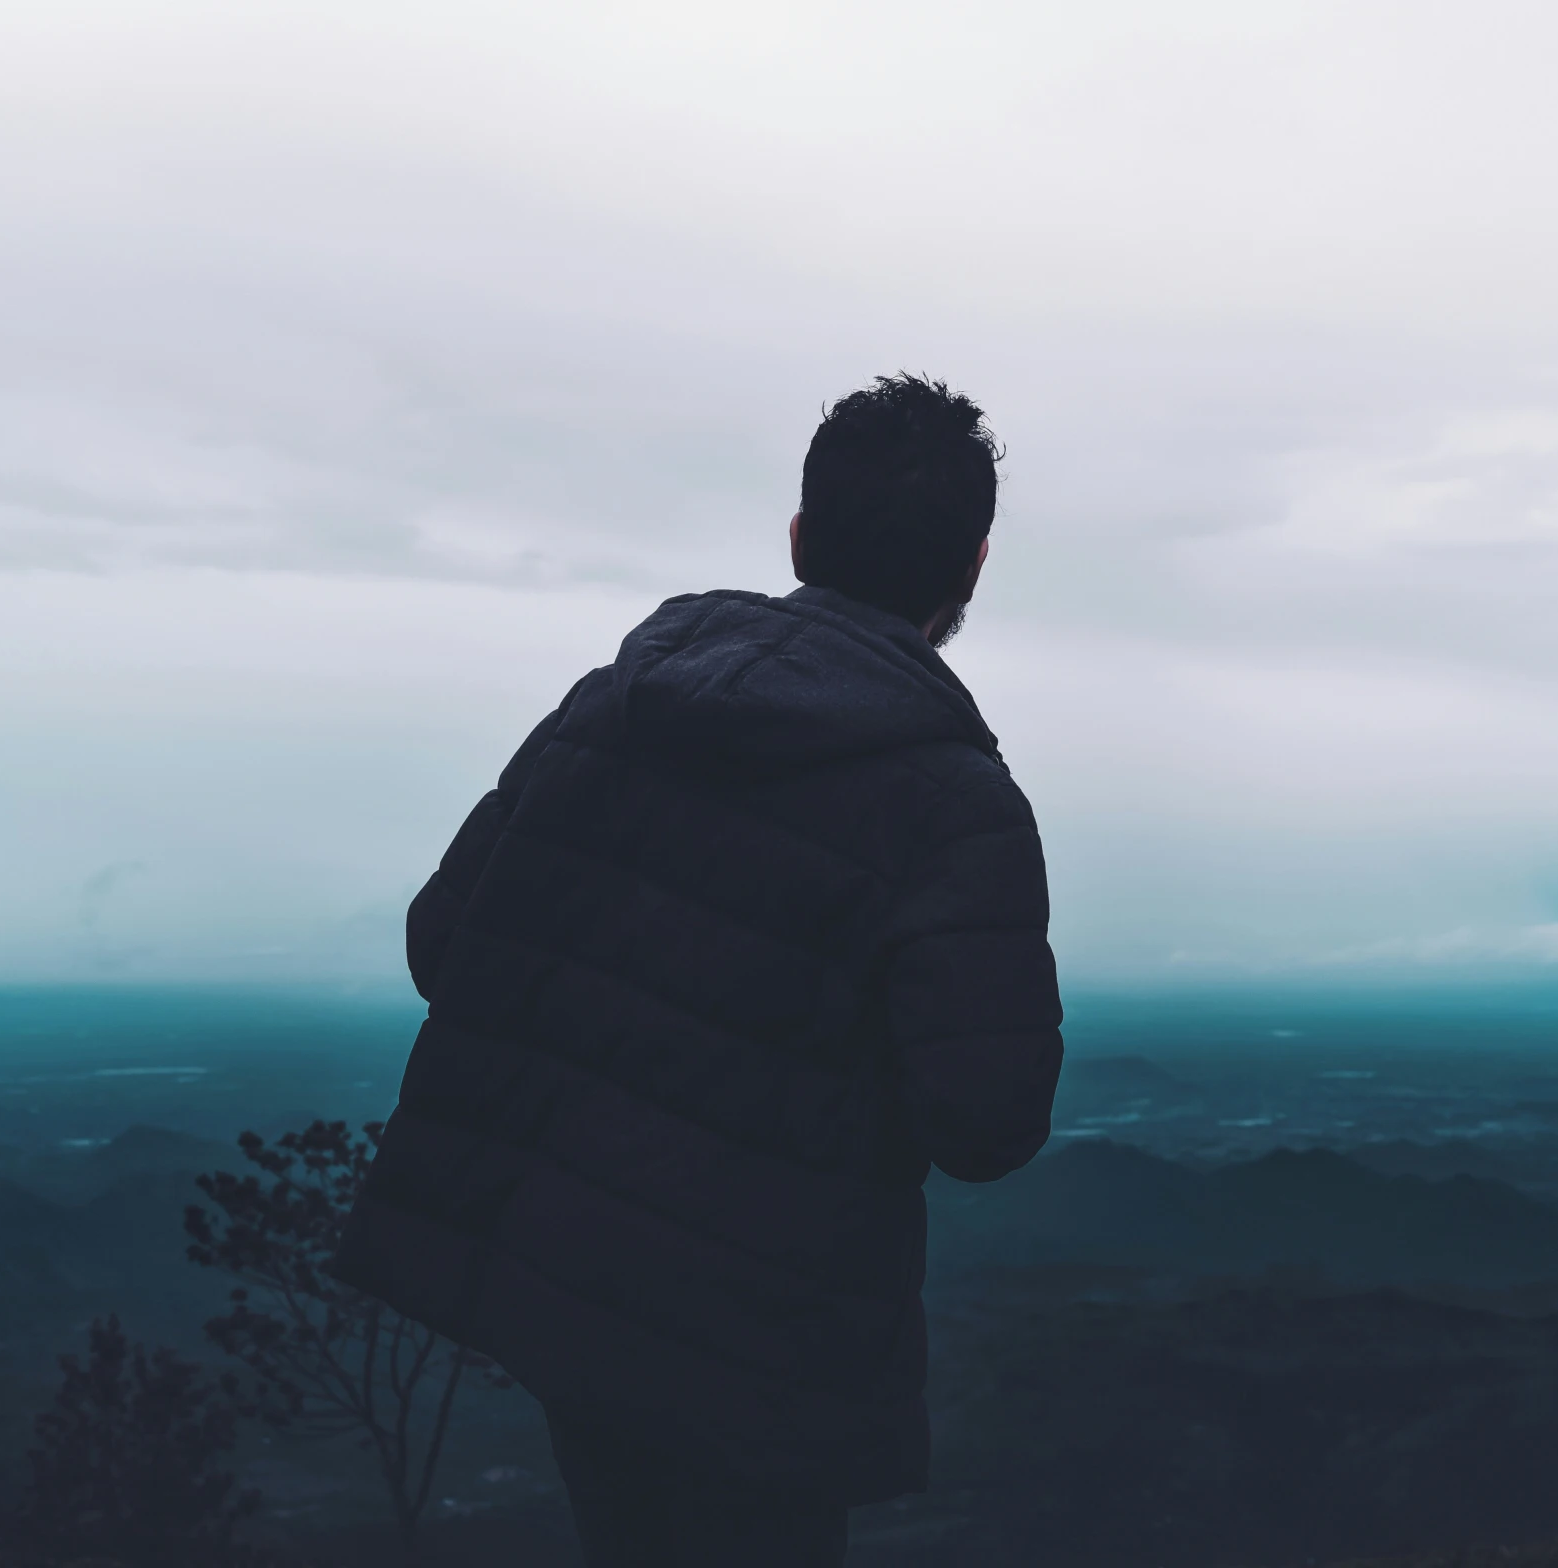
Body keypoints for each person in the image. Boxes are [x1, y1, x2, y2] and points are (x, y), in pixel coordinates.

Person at [333, 373, 1063, 1566]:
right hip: (761, 1340)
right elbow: (987, 1121)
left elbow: (441, 943)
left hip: (566, 1285)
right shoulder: (955, 806)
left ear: (798, 535)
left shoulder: (613, 707)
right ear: (972, 567)